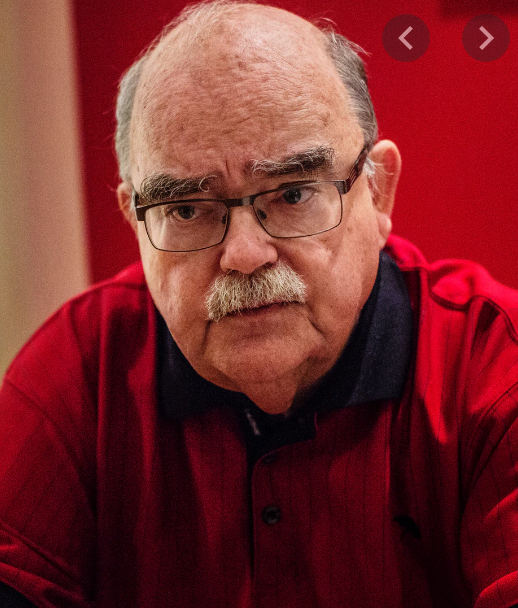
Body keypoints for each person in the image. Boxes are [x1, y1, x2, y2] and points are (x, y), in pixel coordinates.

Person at [0, 1, 517, 606]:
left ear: (378, 193)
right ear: (135, 222)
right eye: (186, 209)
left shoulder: (493, 373)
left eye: (293, 193)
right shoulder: (79, 373)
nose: (244, 255)